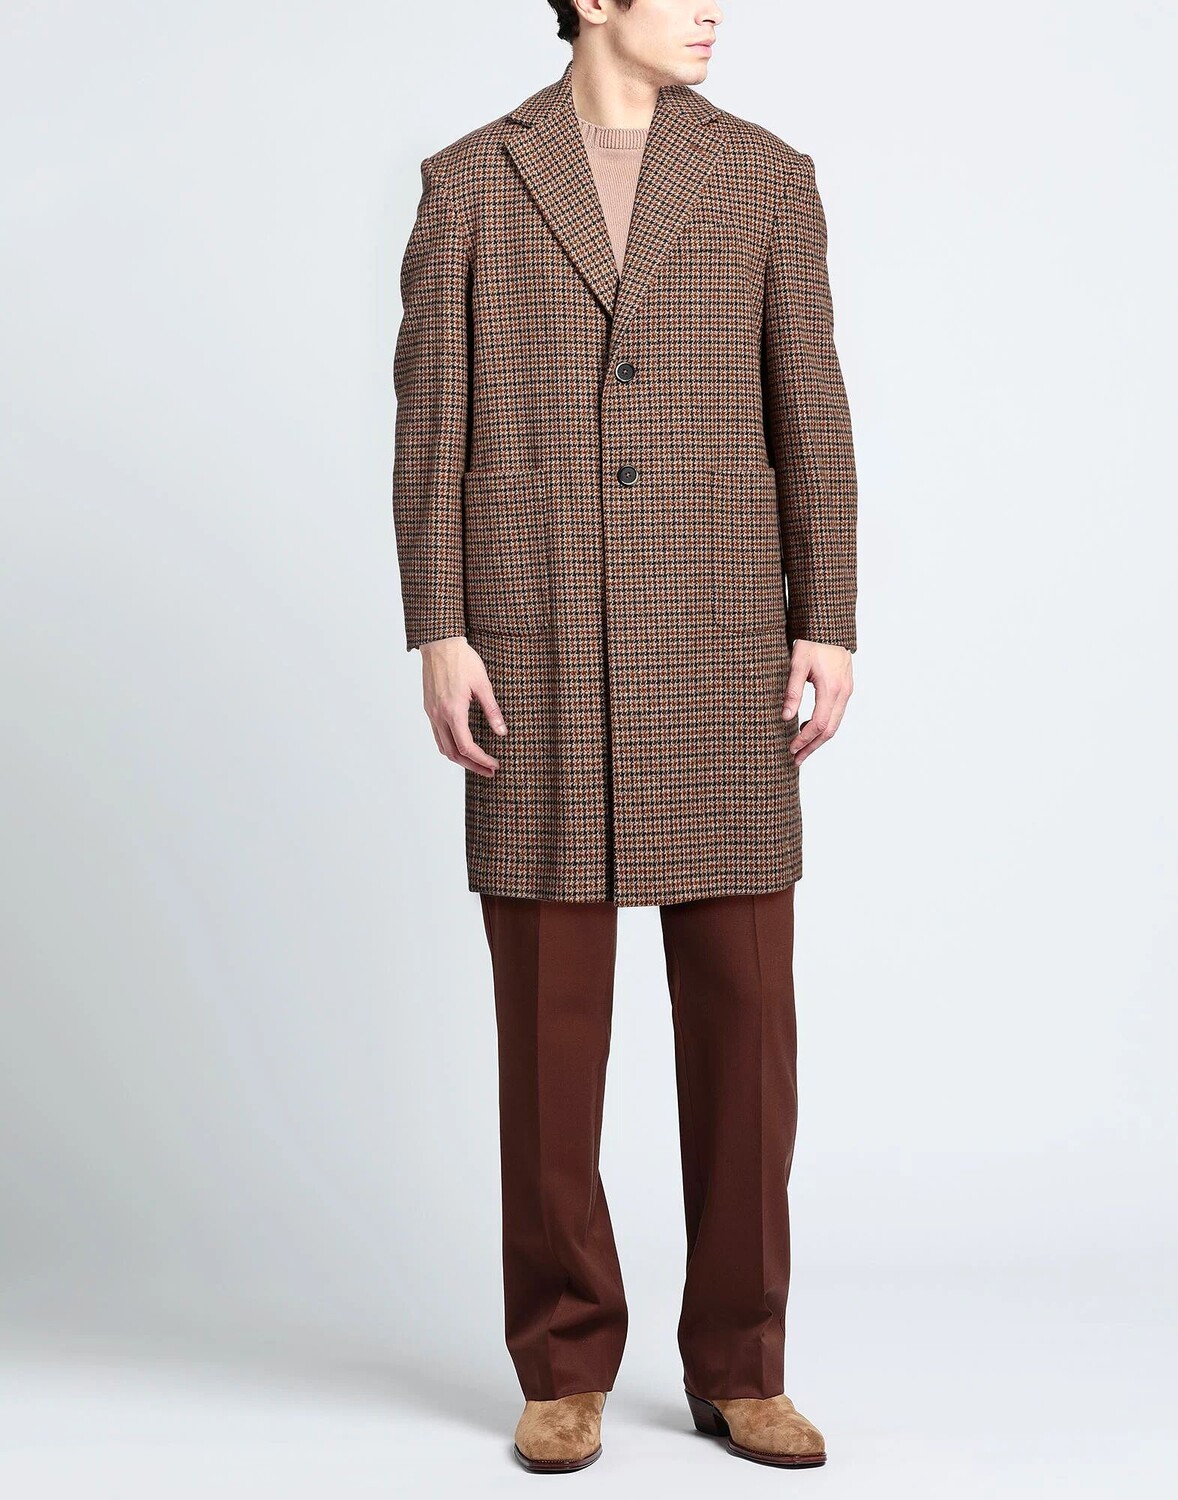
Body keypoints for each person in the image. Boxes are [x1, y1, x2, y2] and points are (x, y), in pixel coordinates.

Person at [391, 0, 857, 1473]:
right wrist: (440, 626)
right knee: (548, 1036)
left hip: (720, 641)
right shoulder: (473, 180)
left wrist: (827, 616)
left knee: (746, 1029)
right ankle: (561, 1360)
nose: (714, 8)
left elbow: (811, 409)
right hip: (534, 644)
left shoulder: (765, 175)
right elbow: (429, 426)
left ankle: (742, 1363)